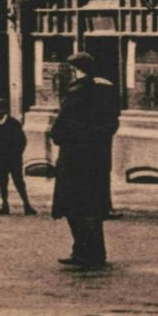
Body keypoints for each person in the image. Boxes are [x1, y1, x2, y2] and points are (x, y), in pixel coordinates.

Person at [50, 52, 120, 269]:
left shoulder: (76, 92)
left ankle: (83, 251)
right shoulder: (104, 91)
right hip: (96, 158)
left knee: (74, 205)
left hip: (75, 157)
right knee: (92, 206)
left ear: (75, 70)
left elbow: (61, 126)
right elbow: (112, 123)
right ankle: (95, 252)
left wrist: (61, 136)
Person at [0, 98, 36, 215]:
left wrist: (17, 153)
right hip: (0, 158)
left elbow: (21, 141)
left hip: (13, 158)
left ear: (5, 110)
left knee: (19, 182)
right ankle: (5, 205)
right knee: (2, 182)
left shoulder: (13, 123)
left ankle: (27, 205)